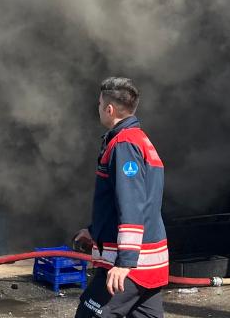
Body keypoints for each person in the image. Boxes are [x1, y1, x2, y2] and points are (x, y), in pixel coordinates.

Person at [72, 77, 167, 318]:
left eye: (99, 104)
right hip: (149, 266)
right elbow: (134, 202)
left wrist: (124, 263)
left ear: (109, 109)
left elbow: (131, 204)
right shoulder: (141, 140)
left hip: (132, 266)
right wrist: (94, 230)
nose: (98, 109)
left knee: (88, 314)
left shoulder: (124, 144)